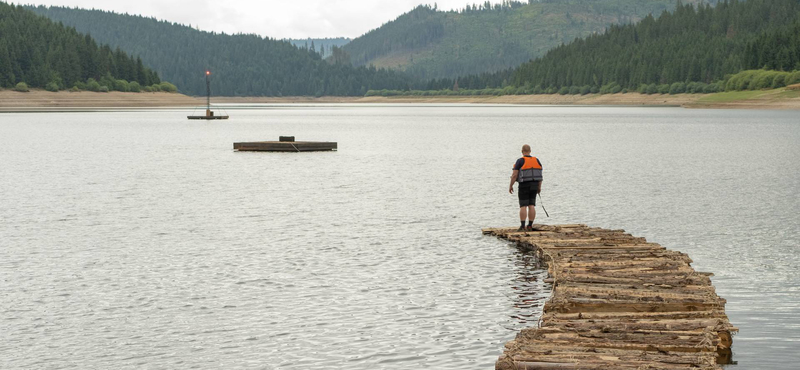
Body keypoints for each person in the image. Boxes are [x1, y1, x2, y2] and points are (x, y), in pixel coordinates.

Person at [509, 145, 543, 231]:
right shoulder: (537, 160)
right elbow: (540, 175)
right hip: (535, 185)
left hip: (524, 185)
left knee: (523, 205)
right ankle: (530, 226)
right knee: (531, 205)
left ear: (522, 151)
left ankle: (523, 226)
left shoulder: (520, 161)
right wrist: (539, 187)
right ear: (530, 151)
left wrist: (511, 185)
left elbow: (514, 175)